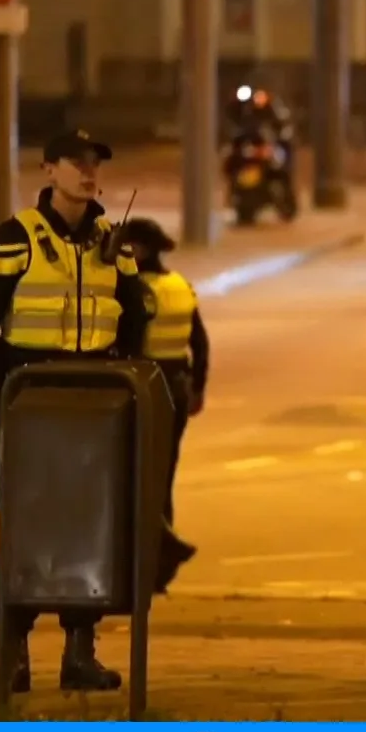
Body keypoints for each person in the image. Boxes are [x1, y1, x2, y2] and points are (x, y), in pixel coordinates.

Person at [0, 131, 153, 695]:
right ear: (48, 170)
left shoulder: (114, 244)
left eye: (94, 163)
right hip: (28, 406)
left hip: (97, 409)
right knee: (22, 525)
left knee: (89, 527)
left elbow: (136, 327)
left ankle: (79, 654)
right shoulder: (13, 240)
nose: (87, 172)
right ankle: (10, 656)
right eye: (75, 163)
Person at [117, 216, 207, 585]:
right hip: (178, 386)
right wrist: (199, 387)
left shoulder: (137, 290)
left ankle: (158, 554)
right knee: (162, 474)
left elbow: (130, 341)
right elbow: (200, 342)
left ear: (139, 249)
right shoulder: (179, 285)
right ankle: (159, 563)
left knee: (133, 475)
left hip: (145, 386)